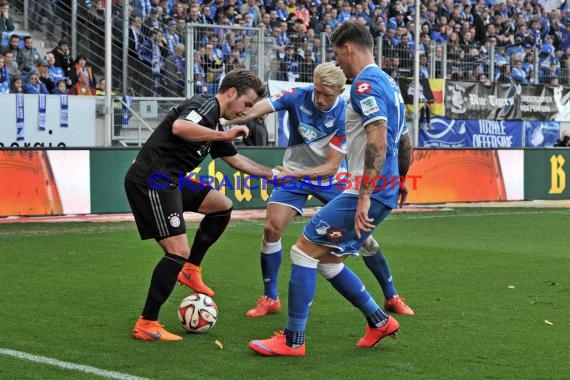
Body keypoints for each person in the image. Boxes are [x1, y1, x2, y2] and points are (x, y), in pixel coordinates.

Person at [248, 21, 413, 356]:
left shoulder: (365, 84)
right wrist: (402, 181)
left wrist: (364, 196)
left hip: (364, 188)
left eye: (339, 57)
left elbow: (379, 141)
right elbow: (405, 141)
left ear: (348, 48)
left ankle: (293, 340)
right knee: (327, 259)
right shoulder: (390, 83)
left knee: (302, 252)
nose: (339, 64)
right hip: (384, 185)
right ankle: (379, 320)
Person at [224, 62, 413, 319]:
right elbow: (258, 107)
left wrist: (292, 174)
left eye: (327, 95)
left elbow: (330, 167)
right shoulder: (296, 96)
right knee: (272, 227)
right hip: (296, 174)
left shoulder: (347, 113)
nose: (320, 99)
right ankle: (270, 297)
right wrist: (225, 115)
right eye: (317, 91)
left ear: (339, 92)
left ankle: (391, 295)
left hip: (330, 179)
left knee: (364, 238)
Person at [125, 68, 274, 341]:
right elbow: (179, 127)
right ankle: (147, 322)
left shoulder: (215, 123)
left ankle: (190, 269)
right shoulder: (205, 104)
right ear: (231, 93)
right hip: (152, 180)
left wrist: (273, 174)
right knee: (176, 250)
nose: (246, 111)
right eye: (247, 103)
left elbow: (238, 161)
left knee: (221, 204)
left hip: (170, 180)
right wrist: (223, 135)